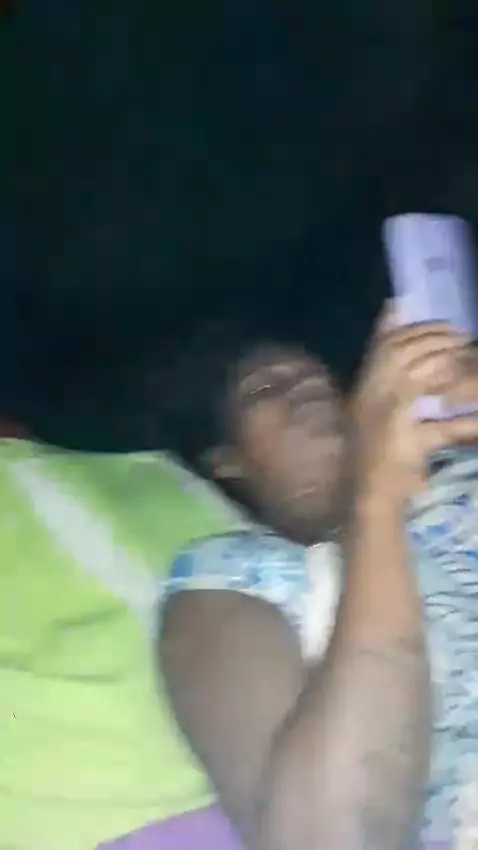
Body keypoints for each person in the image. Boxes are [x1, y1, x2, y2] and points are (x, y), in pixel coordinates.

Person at [160, 304, 478, 850]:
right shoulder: (229, 577)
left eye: (319, 378)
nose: (308, 388)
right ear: (225, 460)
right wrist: (376, 500)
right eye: (266, 390)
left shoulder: (463, 469)